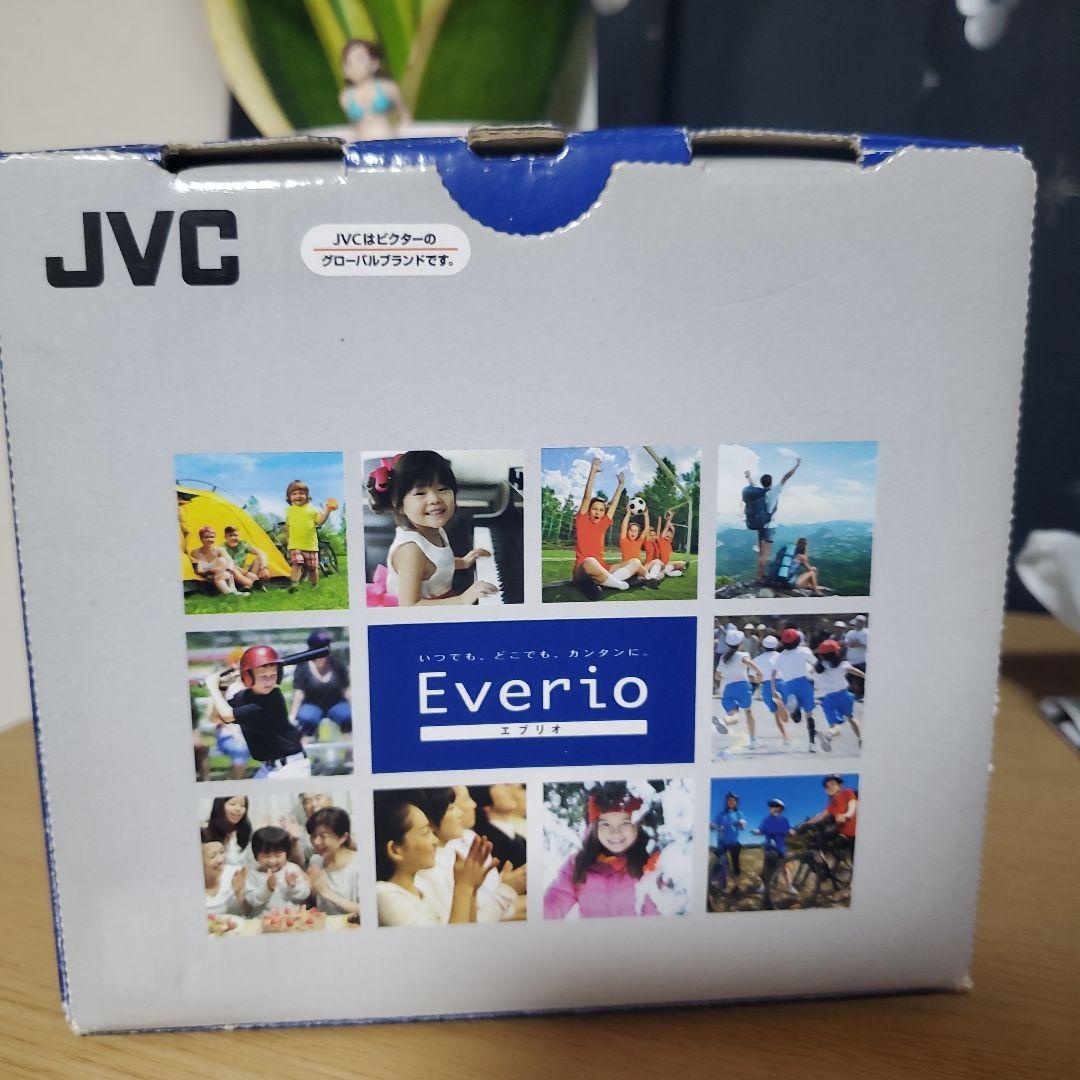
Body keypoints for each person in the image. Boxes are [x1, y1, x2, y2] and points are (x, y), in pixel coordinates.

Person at [366, 451, 497, 607]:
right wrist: (462, 599)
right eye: (420, 493)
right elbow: (409, 606)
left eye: (442, 489)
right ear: (399, 505)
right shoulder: (411, 551)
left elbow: (435, 564)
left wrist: (463, 562)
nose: (435, 499)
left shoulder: (434, 530)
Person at [374, 791, 494, 926]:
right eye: (425, 832)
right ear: (395, 850)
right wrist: (463, 887)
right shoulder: (384, 894)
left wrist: (471, 889)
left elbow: (469, 933)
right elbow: (448, 939)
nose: (435, 840)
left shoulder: (423, 888)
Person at [543, 788, 661, 919]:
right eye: (605, 824)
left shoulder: (653, 863)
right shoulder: (578, 864)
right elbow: (556, 899)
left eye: (625, 823)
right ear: (595, 827)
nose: (615, 833)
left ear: (639, 825)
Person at [414, 788, 522, 923]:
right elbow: (466, 924)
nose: (460, 812)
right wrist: (507, 890)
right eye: (451, 808)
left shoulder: (469, 840)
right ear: (429, 819)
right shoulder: (428, 869)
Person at [204, 645, 310, 778]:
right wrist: (222, 689)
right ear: (248, 677)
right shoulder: (244, 696)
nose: (269, 681)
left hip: (291, 768)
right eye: (263, 676)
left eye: (273, 675)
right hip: (269, 768)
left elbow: (227, 715)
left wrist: (212, 687)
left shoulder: (271, 699)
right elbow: (215, 718)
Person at [570, 457, 641, 599]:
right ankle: (619, 584)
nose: (598, 512)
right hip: (583, 569)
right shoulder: (582, 520)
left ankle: (606, 582)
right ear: (588, 510)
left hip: (604, 568)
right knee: (590, 561)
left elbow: (613, 505)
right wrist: (593, 471)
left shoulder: (603, 524)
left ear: (604, 513)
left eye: (601, 510)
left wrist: (621, 485)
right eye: (594, 509)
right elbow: (587, 497)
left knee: (635, 562)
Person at [339, 38, 411, 142]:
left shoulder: (388, 88)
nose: (354, 66)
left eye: (359, 59)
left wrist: (403, 136)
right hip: (362, 145)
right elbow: (353, 127)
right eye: (349, 62)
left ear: (374, 63)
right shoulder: (346, 96)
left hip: (388, 141)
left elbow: (405, 116)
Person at [743, 456, 802, 580]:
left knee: (761, 552)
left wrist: (748, 477)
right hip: (769, 526)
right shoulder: (773, 492)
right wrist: (797, 465)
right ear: (770, 482)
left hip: (760, 525)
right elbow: (786, 477)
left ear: (762, 483)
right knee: (765, 553)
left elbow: (753, 485)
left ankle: (760, 574)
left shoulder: (760, 493)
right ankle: (760, 577)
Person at [289, 630, 352, 738]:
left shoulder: (337, 665)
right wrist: (292, 717)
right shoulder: (302, 667)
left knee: (349, 717)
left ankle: (351, 747)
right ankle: (304, 747)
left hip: (335, 703)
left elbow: (346, 690)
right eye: (318, 647)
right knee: (306, 719)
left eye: (325, 647)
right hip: (311, 704)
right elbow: (299, 693)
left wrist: (358, 709)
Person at [713, 629, 764, 749]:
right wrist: (759, 672)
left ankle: (724, 721)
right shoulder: (743, 655)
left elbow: (717, 676)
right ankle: (752, 740)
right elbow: (748, 662)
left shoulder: (723, 658)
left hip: (728, 689)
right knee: (748, 712)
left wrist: (727, 676)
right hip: (743, 687)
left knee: (734, 716)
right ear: (740, 643)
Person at [305, 806, 361, 917]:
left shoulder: (360, 864)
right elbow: (314, 902)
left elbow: (367, 910)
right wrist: (309, 890)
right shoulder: (315, 861)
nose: (316, 842)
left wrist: (326, 892)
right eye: (313, 836)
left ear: (343, 837)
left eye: (322, 836)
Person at [244, 826, 312, 914]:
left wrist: (293, 886)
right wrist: (268, 888)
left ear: (287, 854)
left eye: (277, 856)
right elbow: (252, 900)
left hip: (291, 917)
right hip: (262, 918)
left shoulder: (292, 869)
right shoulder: (253, 874)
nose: (272, 861)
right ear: (256, 855)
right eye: (266, 856)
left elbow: (305, 893)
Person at [812, 640, 864, 751]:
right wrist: (865, 676)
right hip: (843, 695)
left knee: (835, 727)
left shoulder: (817, 669)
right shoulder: (842, 665)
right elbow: (854, 671)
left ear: (821, 655)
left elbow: (811, 678)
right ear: (836, 652)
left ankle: (828, 734)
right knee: (851, 717)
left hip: (828, 699)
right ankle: (860, 739)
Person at [284, 479, 335, 593]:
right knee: (297, 563)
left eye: (301, 493)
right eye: (294, 494)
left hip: (310, 545)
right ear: (289, 497)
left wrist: (328, 511)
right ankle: (294, 585)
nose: (298, 496)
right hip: (295, 545)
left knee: (312, 568)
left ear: (307, 496)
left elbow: (319, 522)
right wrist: (287, 540)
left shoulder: (312, 510)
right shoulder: (289, 510)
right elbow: (288, 526)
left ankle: (314, 585)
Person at [774, 628, 820, 753]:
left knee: (796, 719)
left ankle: (794, 709)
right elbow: (816, 664)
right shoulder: (804, 650)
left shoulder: (781, 655)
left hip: (788, 685)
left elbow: (775, 671)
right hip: (805, 683)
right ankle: (811, 744)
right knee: (809, 714)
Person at [751, 634, 791, 743]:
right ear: (776, 645)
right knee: (786, 704)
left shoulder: (757, 659)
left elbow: (751, 676)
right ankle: (786, 708)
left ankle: (785, 737)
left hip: (767, 685)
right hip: (782, 682)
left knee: (776, 714)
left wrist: (757, 680)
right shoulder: (782, 656)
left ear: (763, 647)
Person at [808, 775, 858, 857]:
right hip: (842, 833)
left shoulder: (847, 792)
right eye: (827, 786)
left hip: (854, 833)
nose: (829, 787)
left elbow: (852, 804)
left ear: (839, 786)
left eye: (832, 784)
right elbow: (821, 816)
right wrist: (806, 824)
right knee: (821, 836)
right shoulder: (831, 805)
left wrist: (847, 815)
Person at [752, 798, 795, 895]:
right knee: (767, 868)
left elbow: (789, 830)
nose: (773, 808)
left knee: (784, 868)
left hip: (780, 848)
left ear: (780, 809)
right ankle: (764, 886)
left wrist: (791, 831)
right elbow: (760, 830)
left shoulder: (784, 820)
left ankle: (789, 886)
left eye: (776, 807)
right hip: (769, 848)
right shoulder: (766, 820)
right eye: (771, 806)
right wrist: (756, 831)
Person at [201, 828, 247, 916]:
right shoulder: (189, 886)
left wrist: (239, 894)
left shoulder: (234, 874)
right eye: (212, 856)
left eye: (222, 852)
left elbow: (248, 915)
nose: (220, 860)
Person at [188, 526, 242, 596]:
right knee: (219, 574)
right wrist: (209, 572)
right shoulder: (195, 552)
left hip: (222, 575)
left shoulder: (220, 550)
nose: (210, 539)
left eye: (212, 537)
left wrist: (227, 571)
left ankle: (232, 591)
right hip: (206, 578)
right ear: (201, 539)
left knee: (222, 560)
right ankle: (231, 592)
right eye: (206, 537)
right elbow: (197, 570)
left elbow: (230, 562)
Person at [710, 792, 747, 893]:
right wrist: (713, 825)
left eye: (733, 801)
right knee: (721, 863)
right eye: (729, 800)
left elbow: (743, 826)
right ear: (726, 802)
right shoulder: (721, 814)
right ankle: (722, 885)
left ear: (736, 803)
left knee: (735, 864)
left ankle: (736, 886)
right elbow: (713, 824)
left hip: (734, 843)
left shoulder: (738, 813)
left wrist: (742, 823)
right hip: (722, 843)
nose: (731, 802)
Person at [205, 795, 252, 866]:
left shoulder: (246, 830)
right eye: (232, 804)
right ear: (220, 806)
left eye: (242, 805)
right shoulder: (205, 832)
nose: (238, 809)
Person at [618, 510, 659, 588]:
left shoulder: (639, 541)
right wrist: (628, 513)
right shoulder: (624, 540)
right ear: (627, 531)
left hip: (638, 570)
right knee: (636, 563)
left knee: (656, 561)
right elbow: (624, 526)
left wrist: (646, 515)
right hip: (628, 568)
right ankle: (650, 579)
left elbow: (646, 529)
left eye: (635, 531)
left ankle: (648, 579)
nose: (633, 533)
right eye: (631, 530)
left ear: (638, 533)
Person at [221, 525, 270, 590]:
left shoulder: (242, 544)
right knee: (232, 569)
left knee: (259, 559)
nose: (233, 538)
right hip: (233, 576)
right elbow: (230, 566)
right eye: (230, 536)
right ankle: (252, 583)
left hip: (245, 574)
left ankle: (248, 586)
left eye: (236, 535)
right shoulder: (222, 549)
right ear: (225, 537)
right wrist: (247, 573)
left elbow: (261, 553)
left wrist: (264, 568)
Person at [844, 615, 869, 700]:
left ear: (863, 622)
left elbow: (865, 645)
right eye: (857, 622)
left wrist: (854, 643)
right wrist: (855, 643)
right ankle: (850, 696)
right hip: (850, 661)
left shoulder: (866, 633)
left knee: (861, 680)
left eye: (859, 622)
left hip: (862, 660)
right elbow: (847, 643)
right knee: (848, 680)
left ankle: (861, 697)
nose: (857, 623)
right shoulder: (850, 633)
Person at [656, 509, 687, 577]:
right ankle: (670, 573)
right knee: (666, 571)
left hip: (667, 563)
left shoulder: (669, 541)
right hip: (660, 564)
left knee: (682, 563)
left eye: (670, 535)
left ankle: (671, 571)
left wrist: (670, 523)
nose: (668, 536)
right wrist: (669, 519)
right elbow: (666, 527)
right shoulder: (661, 539)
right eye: (667, 534)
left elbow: (673, 530)